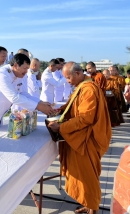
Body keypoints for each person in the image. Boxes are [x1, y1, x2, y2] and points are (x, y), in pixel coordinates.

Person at [49, 62, 111, 214]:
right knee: (83, 176)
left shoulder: (89, 89)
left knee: (88, 177)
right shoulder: (82, 86)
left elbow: (85, 118)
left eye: (68, 77)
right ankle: (88, 204)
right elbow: (75, 105)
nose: (68, 81)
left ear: (77, 74)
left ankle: (93, 209)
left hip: (87, 140)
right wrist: (61, 110)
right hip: (82, 137)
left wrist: (61, 127)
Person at [0, 53, 54, 138]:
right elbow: (14, 97)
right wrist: (38, 106)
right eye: (24, 68)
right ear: (15, 65)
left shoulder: (17, 75)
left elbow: (23, 93)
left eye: (27, 69)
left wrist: (40, 102)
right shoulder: (2, 74)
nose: (26, 72)